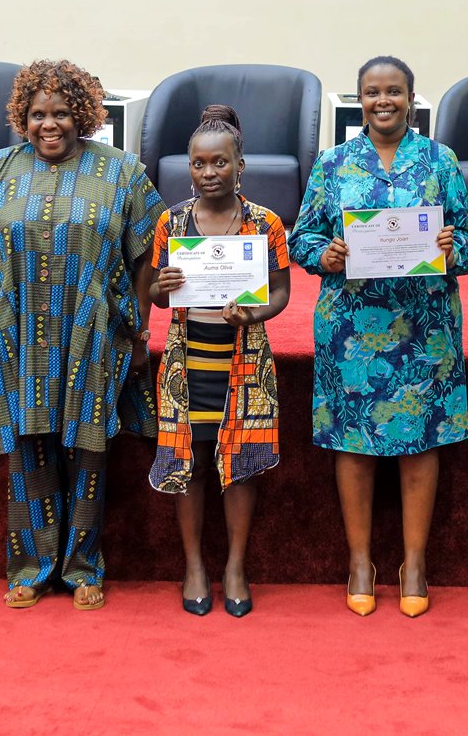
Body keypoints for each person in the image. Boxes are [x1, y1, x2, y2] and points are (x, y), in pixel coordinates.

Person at [0, 59, 165, 610]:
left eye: (63, 113)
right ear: (22, 116)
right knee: (28, 449)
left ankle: (83, 567)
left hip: (92, 333)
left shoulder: (122, 171)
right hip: (17, 334)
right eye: (38, 113)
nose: (50, 124)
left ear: (84, 115)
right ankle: (30, 566)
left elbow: (145, 257)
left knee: (89, 451)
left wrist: (137, 331)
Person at [289, 56, 468, 617]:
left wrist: (450, 249)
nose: (383, 101)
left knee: (421, 442)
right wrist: (327, 254)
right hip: (353, 330)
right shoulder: (333, 164)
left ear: (412, 99)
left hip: (425, 331)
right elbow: (303, 240)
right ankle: (359, 558)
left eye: (394, 91)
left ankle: (414, 561)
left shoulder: (439, 161)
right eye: (372, 93)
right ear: (359, 101)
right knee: (354, 445)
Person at [149, 105, 292, 618]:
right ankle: (193, 565)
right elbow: (158, 297)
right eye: (198, 164)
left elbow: (281, 293)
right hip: (187, 363)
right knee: (190, 465)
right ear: (188, 167)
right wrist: (160, 288)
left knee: (240, 468)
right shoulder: (171, 223)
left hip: (246, 360)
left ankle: (234, 564)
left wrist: (255, 314)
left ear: (240, 165)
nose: (208, 173)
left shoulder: (265, 224)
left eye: (219, 163)